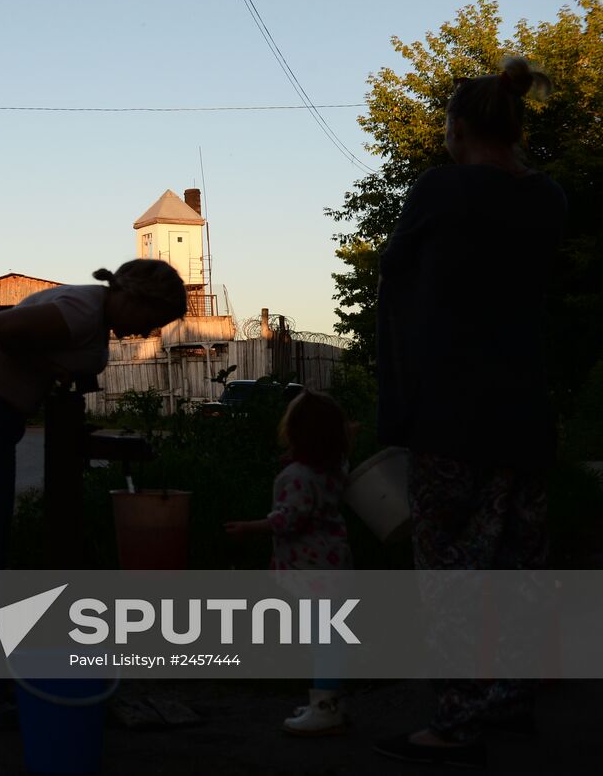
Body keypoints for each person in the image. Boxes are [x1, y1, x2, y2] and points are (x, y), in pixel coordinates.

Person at [372, 56, 567, 768]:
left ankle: (456, 722)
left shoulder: (440, 191)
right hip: (525, 410)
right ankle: (510, 702)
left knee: (449, 571)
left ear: (457, 129)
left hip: (452, 413)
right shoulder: (548, 199)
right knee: (517, 564)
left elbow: (396, 274)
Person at [0, 259, 188, 726]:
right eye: (150, 321)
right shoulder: (81, 308)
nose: (145, 332)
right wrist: (52, 368)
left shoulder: (92, 315)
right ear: (134, 298)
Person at [225, 388, 354, 737]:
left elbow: (288, 519)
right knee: (330, 640)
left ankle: (325, 709)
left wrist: (248, 527)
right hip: (334, 565)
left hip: (311, 573)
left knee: (324, 642)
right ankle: (328, 703)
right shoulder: (335, 469)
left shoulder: (298, 475)